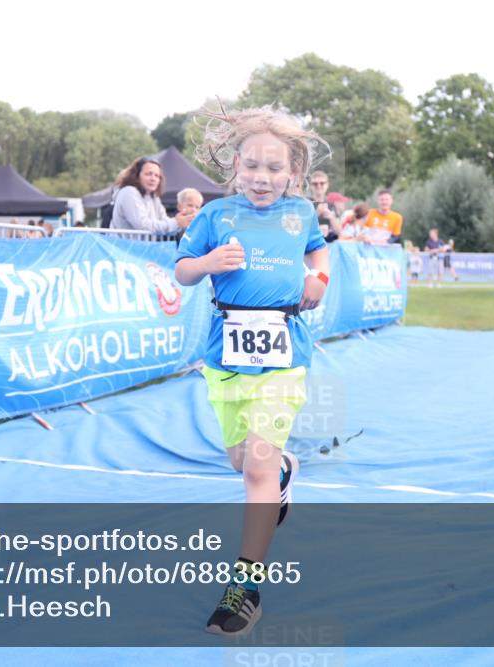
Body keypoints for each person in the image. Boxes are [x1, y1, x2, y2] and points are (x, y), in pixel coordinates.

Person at [176, 105, 330, 637]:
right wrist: (208, 264)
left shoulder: (302, 214)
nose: (262, 178)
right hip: (226, 354)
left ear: (292, 173)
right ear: (234, 166)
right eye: (252, 167)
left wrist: (319, 283)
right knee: (243, 460)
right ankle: (284, 471)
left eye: (274, 169)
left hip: (285, 354)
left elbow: (319, 257)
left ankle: (245, 588)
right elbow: (183, 270)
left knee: (255, 473)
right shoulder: (216, 216)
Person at [110, 157, 196, 234]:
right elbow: (142, 225)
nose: (153, 179)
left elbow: (165, 223)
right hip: (122, 249)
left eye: (157, 176)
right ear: (136, 176)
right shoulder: (129, 192)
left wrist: (180, 222)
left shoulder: (154, 197)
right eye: (148, 174)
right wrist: (176, 223)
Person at [308, 170, 342, 242]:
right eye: (315, 184)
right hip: (311, 246)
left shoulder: (331, 205)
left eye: (322, 183)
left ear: (327, 185)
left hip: (329, 246)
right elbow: (301, 228)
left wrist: (332, 218)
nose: (319, 186)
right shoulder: (306, 203)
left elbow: (339, 232)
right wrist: (316, 213)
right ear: (310, 186)